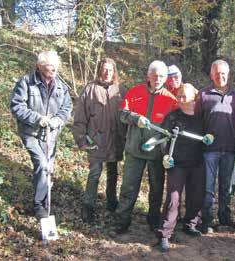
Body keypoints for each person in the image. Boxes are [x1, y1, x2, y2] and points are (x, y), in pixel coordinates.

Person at [115, 60, 178, 234]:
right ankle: (122, 221)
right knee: (129, 187)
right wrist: (136, 119)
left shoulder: (171, 100)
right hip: (134, 149)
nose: (157, 79)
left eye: (161, 76)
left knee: (157, 188)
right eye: (155, 75)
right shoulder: (135, 92)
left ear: (165, 78)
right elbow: (122, 114)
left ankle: (153, 220)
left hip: (157, 152)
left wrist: (158, 142)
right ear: (148, 75)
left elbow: (172, 129)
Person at [10, 50, 72, 219]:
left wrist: (56, 121)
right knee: (42, 164)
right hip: (31, 132)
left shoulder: (61, 86)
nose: (53, 72)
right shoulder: (26, 82)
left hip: (50, 134)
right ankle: (39, 206)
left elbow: (66, 109)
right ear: (39, 66)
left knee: (48, 169)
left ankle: (45, 201)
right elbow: (17, 107)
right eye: (49, 68)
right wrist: (38, 119)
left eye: (55, 68)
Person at [72, 58, 126, 223]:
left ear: (114, 72)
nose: (107, 72)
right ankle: (88, 206)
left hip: (115, 139)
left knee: (113, 172)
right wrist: (81, 140)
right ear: (99, 70)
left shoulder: (121, 91)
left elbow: (127, 116)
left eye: (110, 70)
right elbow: (80, 117)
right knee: (95, 173)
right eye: (104, 69)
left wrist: (127, 138)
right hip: (95, 140)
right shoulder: (90, 89)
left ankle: (111, 200)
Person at [195, 59, 235, 233]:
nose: (220, 77)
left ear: (228, 74)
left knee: (226, 187)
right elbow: (196, 121)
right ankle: (206, 220)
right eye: (217, 74)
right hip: (209, 150)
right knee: (208, 188)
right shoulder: (203, 95)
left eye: (223, 73)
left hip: (229, 149)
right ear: (211, 75)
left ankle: (225, 217)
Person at [155, 83, 206, 252]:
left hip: (197, 163)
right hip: (177, 164)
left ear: (194, 97)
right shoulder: (172, 117)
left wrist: (210, 139)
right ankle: (165, 234)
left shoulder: (201, 117)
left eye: (184, 96)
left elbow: (207, 137)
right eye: (179, 96)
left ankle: (190, 224)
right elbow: (163, 139)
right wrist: (165, 156)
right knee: (173, 199)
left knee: (196, 196)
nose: (181, 99)